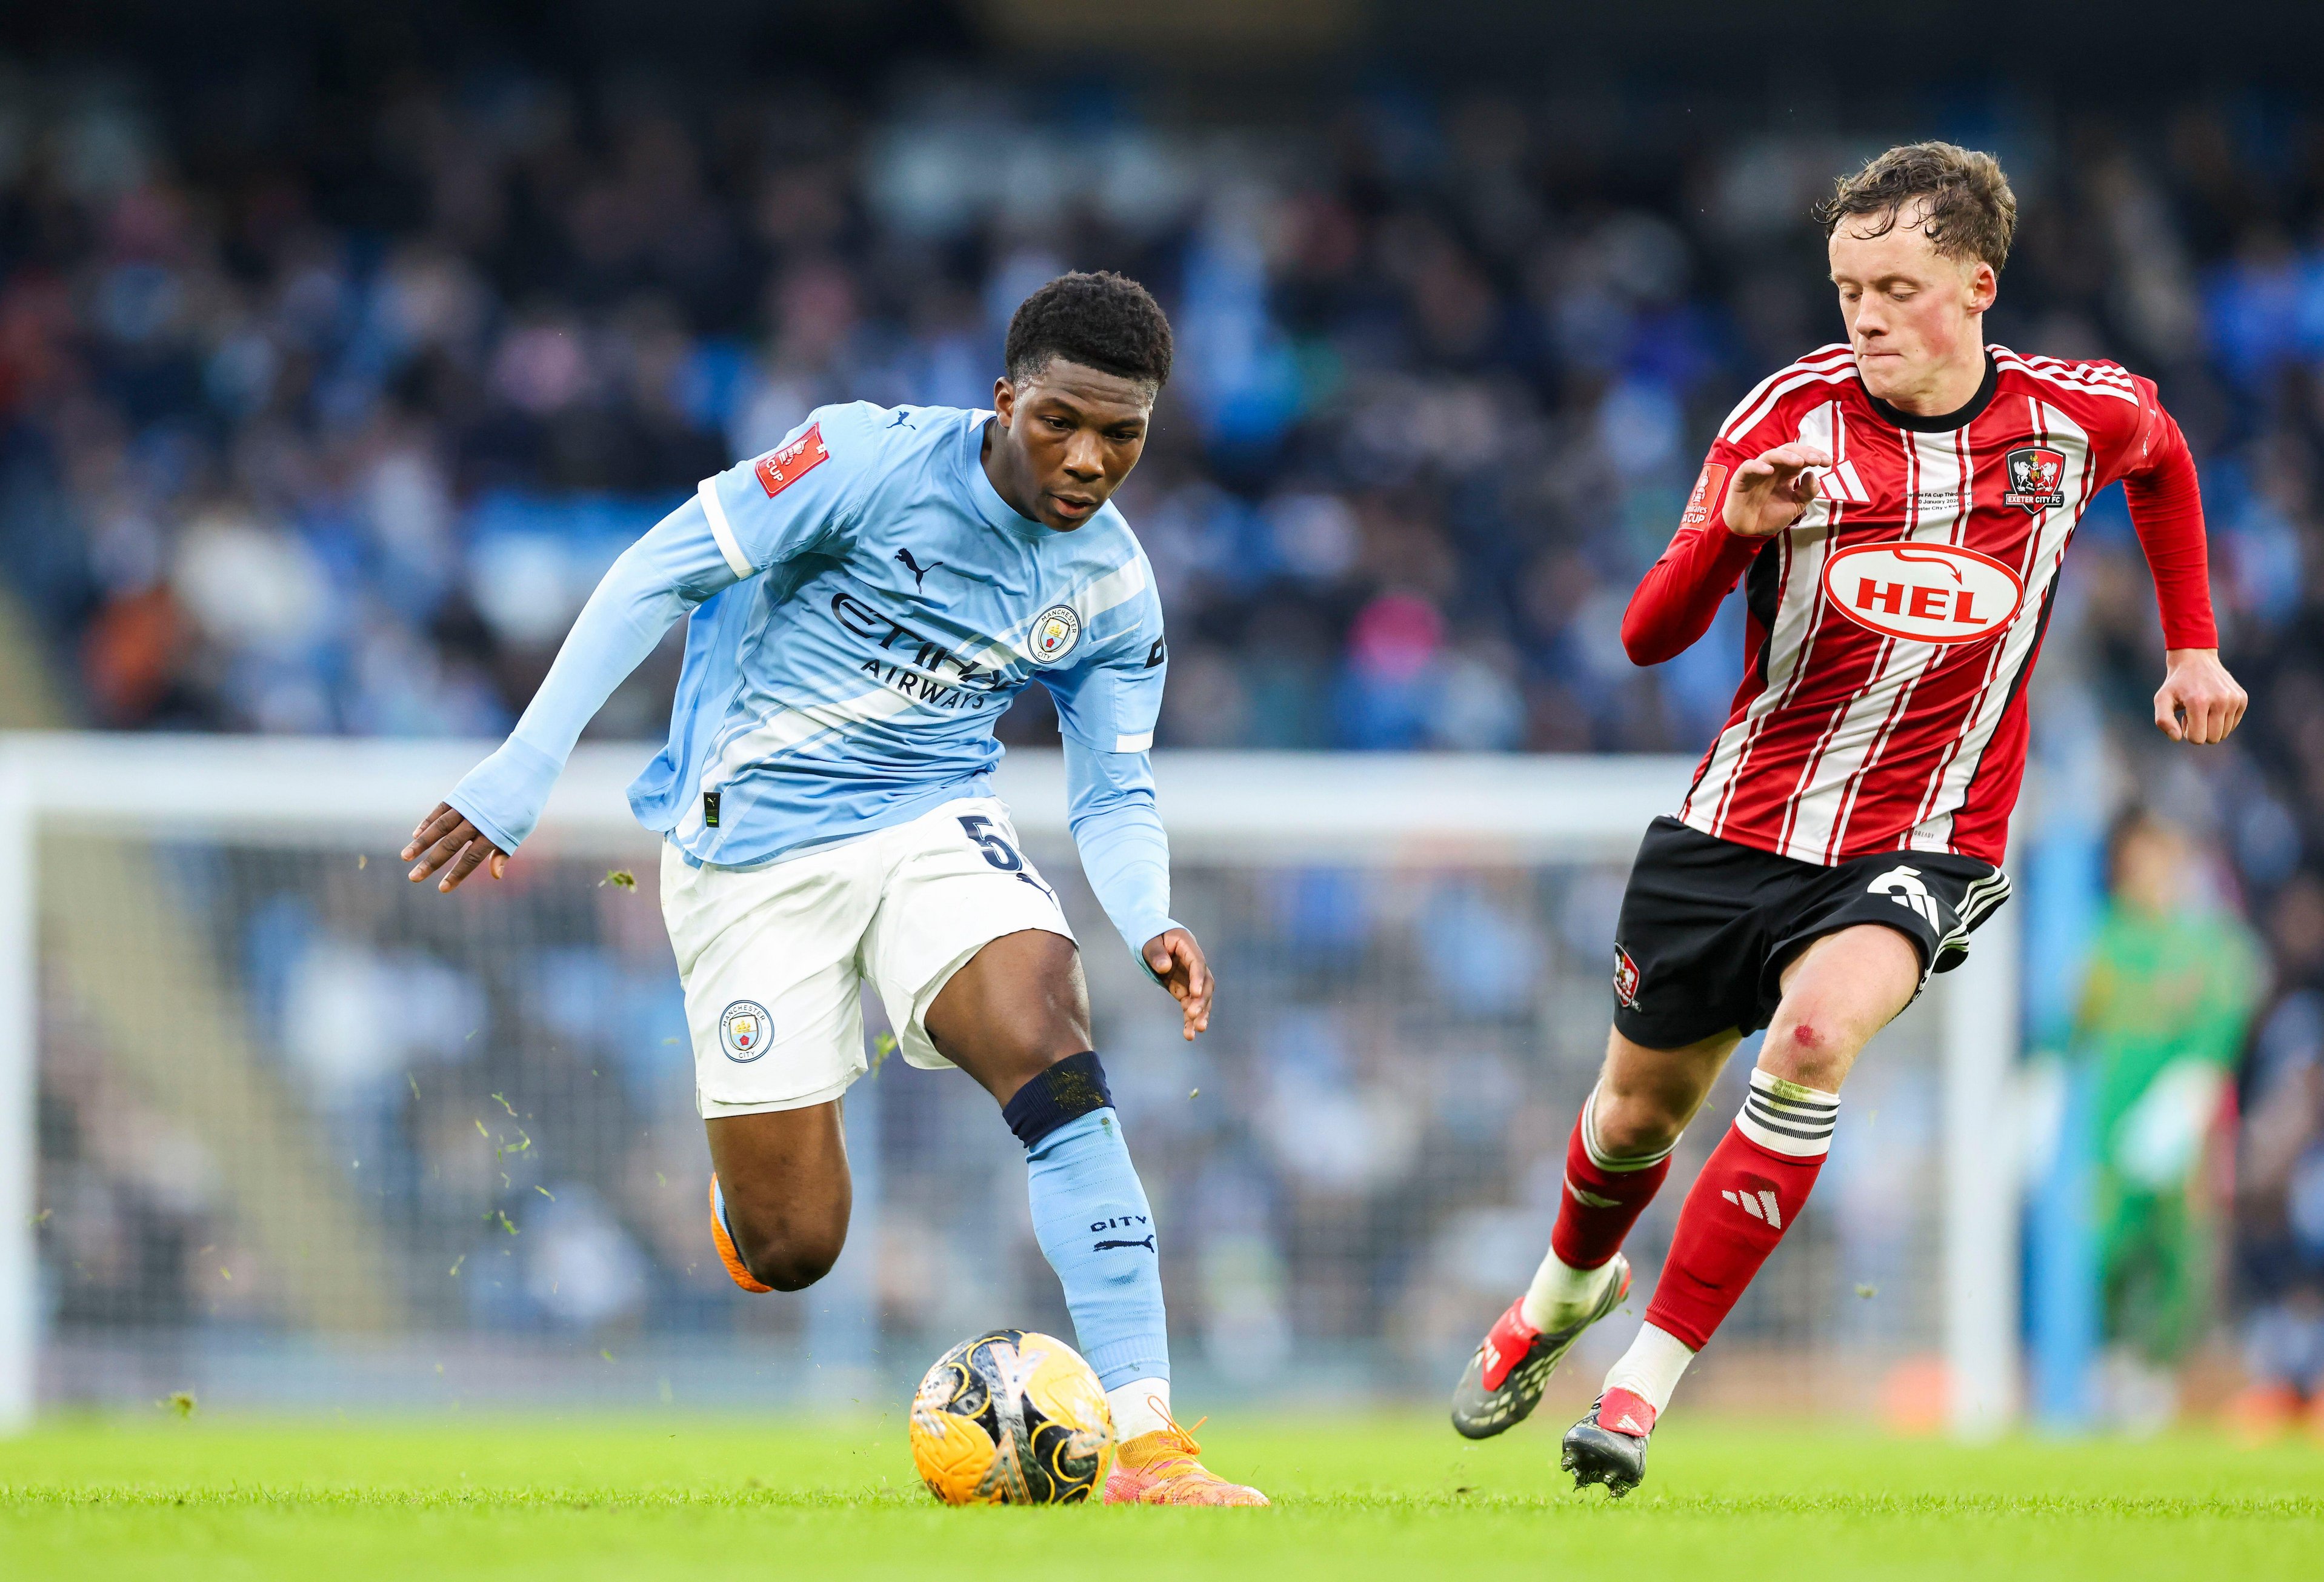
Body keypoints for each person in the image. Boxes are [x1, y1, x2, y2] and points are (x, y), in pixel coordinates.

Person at [1449, 142, 2248, 1492]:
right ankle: (1562, 1294)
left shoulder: (2071, 418)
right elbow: (1648, 638)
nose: (1865, 317)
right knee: (1633, 1117)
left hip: (1925, 835)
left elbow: (2164, 459)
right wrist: (1729, 532)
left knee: (1813, 1044)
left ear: (1977, 285)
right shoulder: (1787, 421)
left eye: (1894, 289)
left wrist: (2193, 645)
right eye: (1847, 290)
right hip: (1738, 825)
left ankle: (1638, 1391)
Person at [400, 271, 1265, 1506]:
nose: (1088, 460)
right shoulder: (861, 459)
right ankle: (748, 1191)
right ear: (1004, 399)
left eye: (1120, 435)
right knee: (794, 1246)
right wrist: (525, 768)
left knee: (1051, 1040)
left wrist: (1151, 916)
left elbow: (1114, 788)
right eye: (1060, 422)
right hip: (753, 849)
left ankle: (1149, 1446)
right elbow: (657, 571)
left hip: (933, 821)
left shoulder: (1114, 588)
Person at [2076, 810, 2259, 1426]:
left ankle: (2158, 1375)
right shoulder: (2105, 939)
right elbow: (2074, 1019)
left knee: (2179, 1247)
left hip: (2184, 1126)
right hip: (2112, 1128)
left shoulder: (2208, 943)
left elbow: (2226, 1015)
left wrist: (2193, 1087)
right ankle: (2115, 1363)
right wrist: (2041, 1074)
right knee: (2108, 1247)